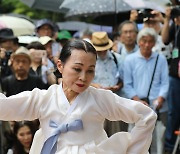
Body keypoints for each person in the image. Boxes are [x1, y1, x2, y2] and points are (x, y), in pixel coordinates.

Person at [0, 39, 157, 154]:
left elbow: (146, 116)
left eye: (90, 70)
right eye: (77, 69)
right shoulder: (43, 98)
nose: (83, 77)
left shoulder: (101, 98)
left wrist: (134, 150)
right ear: (60, 66)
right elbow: (4, 107)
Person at [123, 27, 169, 154]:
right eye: (144, 41)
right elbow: (127, 84)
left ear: (154, 43)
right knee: (134, 140)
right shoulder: (130, 60)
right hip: (136, 105)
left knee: (157, 141)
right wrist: (137, 100)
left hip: (157, 106)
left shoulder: (161, 59)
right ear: (139, 42)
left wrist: (160, 98)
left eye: (150, 42)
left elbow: (165, 83)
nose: (147, 45)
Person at [161, 6, 180, 153]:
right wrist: (168, 19)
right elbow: (165, 39)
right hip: (175, 75)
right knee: (173, 112)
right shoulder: (176, 24)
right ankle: (169, 146)